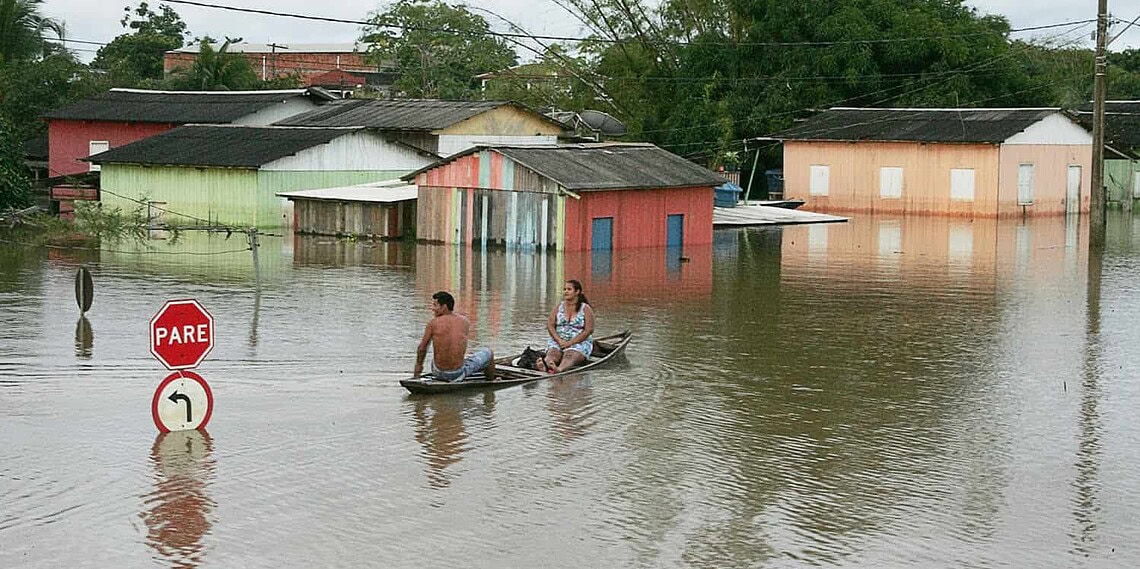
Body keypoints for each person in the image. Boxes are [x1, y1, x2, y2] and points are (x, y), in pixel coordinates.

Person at [414, 291, 495, 382]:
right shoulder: (465, 321)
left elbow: (422, 348)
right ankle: (490, 381)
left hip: (438, 372)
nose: (432, 308)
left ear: (444, 307)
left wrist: (418, 369)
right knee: (489, 353)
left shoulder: (433, 323)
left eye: (435, 305)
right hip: (457, 372)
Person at [536, 279, 594, 374]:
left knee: (570, 354)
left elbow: (588, 330)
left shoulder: (585, 309)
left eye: (569, 289)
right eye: (564, 289)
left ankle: (560, 369)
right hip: (559, 340)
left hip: (579, 342)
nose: (565, 291)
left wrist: (570, 343)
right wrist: (559, 340)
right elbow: (550, 325)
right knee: (553, 353)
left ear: (577, 292)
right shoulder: (559, 307)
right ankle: (545, 367)